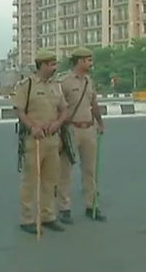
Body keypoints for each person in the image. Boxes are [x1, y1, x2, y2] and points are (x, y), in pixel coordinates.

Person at [11, 49, 68, 234]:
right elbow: (19, 110)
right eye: (51, 64)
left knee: (50, 180)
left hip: (52, 139)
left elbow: (64, 110)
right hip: (34, 140)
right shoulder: (27, 85)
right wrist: (32, 127)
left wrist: (58, 123)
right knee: (30, 181)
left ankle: (47, 216)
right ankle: (27, 218)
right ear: (42, 65)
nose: (55, 68)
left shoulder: (56, 86)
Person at [58, 47, 106, 223]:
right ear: (79, 61)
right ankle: (64, 208)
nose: (91, 63)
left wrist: (100, 122)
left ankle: (91, 205)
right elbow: (56, 106)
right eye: (88, 60)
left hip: (89, 129)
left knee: (90, 170)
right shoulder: (64, 81)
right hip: (70, 129)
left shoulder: (89, 81)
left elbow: (94, 103)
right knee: (65, 171)